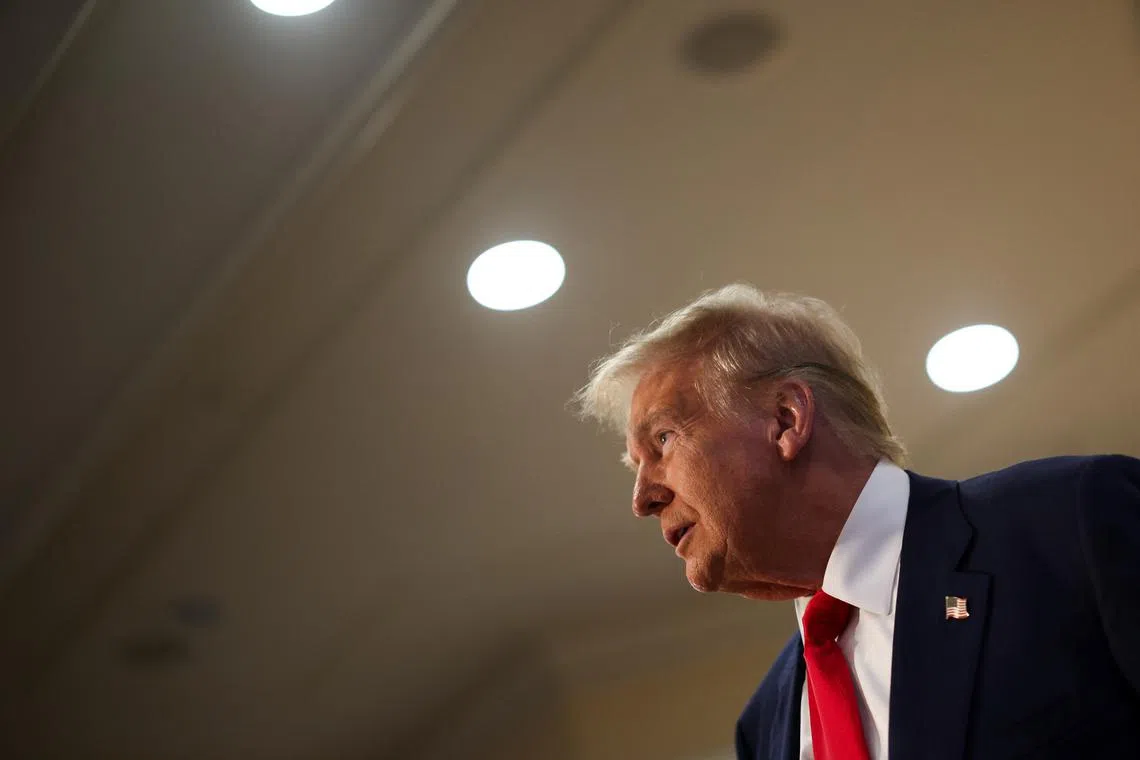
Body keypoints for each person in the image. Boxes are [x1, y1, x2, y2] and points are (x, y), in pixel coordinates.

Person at [575, 284, 1140, 760]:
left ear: (785, 419)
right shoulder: (764, 724)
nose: (642, 498)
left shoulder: (1069, 522)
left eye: (663, 440)